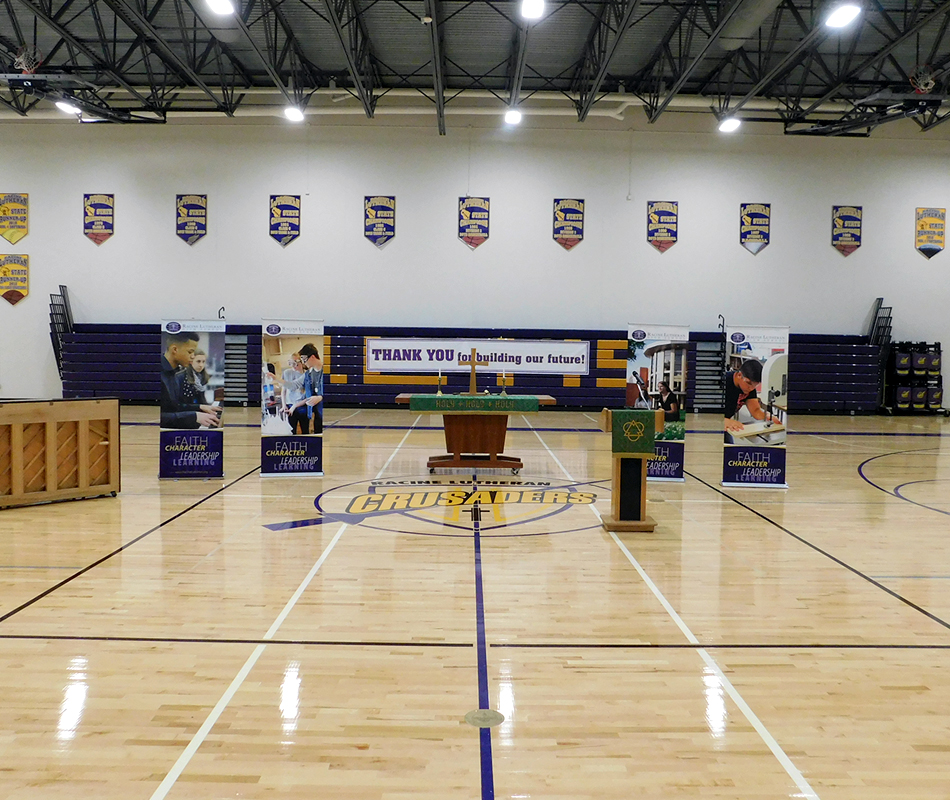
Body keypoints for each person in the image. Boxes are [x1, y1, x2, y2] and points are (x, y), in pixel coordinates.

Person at [161, 331, 220, 429]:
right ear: (175, 349)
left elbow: (175, 406)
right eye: (190, 352)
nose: (193, 356)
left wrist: (199, 407)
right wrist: (193, 416)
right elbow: (158, 418)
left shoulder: (174, 373)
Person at [270, 343, 323, 434]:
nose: (304, 363)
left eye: (304, 360)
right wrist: (276, 379)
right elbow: (293, 385)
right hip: (318, 415)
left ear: (313, 357)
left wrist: (320, 397)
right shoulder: (309, 374)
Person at [723, 359, 780, 436]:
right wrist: (724, 421)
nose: (751, 388)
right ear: (739, 375)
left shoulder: (749, 388)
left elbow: (755, 411)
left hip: (726, 426)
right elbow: (704, 413)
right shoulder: (723, 381)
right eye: (748, 383)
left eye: (755, 385)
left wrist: (767, 416)